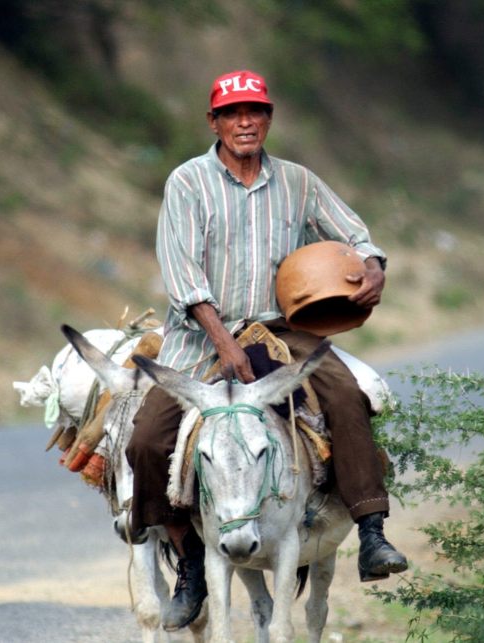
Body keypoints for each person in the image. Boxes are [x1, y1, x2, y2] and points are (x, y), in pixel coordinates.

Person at [125, 69, 408, 631]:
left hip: (282, 328)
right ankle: (188, 567)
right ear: (214, 122)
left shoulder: (298, 181)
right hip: (200, 333)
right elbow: (182, 276)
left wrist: (372, 266)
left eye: (255, 111)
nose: (245, 122)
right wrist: (224, 341)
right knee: (148, 440)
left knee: (345, 394)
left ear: (269, 118)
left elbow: (355, 234)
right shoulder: (187, 182)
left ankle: (372, 532)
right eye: (232, 113)